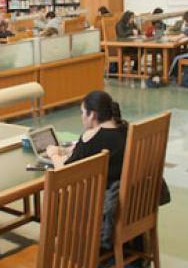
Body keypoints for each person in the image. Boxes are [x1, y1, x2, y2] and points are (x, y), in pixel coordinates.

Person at [43, 91, 128, 248]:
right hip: (126, 197)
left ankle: (56, 241)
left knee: (57, 189)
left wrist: (54, 155)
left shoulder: (91, 137)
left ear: (92, 115)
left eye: (83, 112)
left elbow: (64, 171)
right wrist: (73, 149)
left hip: (99, 201)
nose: (81, 117)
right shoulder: (124, 128)